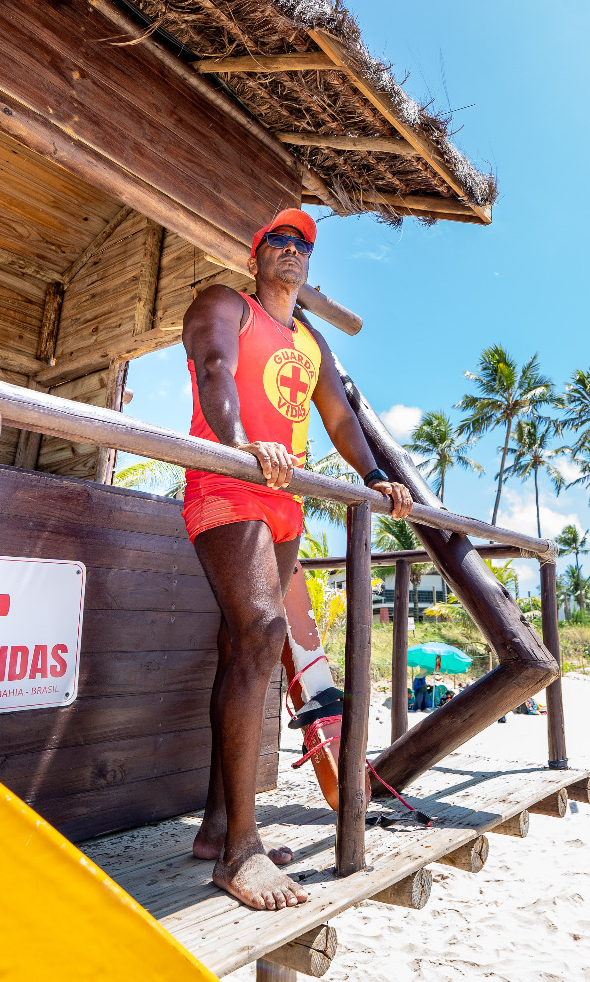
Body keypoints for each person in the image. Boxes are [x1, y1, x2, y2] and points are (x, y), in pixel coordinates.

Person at [181, 208, 413, 911]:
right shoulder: (225, 304)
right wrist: (243, 439)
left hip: (286, 503)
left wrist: (376, 477)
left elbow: (339, 417)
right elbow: (213, 368)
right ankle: (240, 854)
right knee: (261, 633)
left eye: (303, 244)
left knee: (237, 649)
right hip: (229, 480)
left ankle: (218, 828)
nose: (292, 249)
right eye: (278, 241)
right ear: (256, 258)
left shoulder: (311, 343)